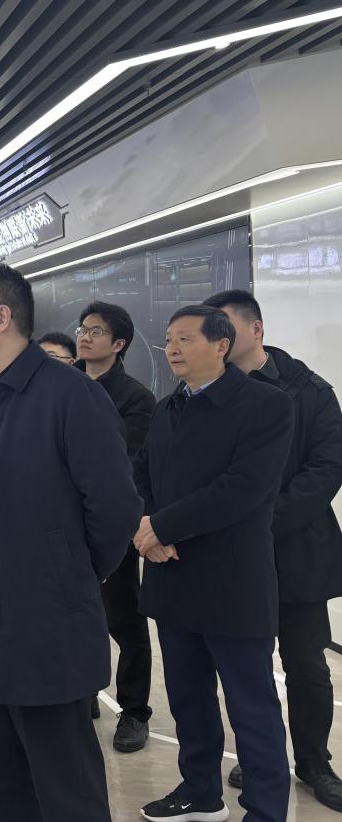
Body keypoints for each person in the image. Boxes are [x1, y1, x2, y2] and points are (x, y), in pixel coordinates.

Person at [0, 263, 142, 822]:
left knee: (65, 789)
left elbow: (115, 509)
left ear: (1, 317)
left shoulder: (70, 395)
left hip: (44, 625)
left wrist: (64, 572)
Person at [133, 305, 293, 822]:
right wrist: (146, 530)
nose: (172, 349)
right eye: (168, 340)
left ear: (221, 345)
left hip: (233, 581)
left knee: (251, 704)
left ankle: (265, 809)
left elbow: (243, 488)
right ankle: (200, 793)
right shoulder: (167, 407)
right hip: (172, 576)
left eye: (185, 339)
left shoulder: (266, 405)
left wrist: (163, 526)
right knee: (188, 699)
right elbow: (141, 476)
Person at [204, 289, 342, 811]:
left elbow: (326, 468)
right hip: (235, 555)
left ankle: (314, 762)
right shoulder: (209, 393)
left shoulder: (309, 390)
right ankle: (260, 755)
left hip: (297, 549)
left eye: (225, 328)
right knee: (247, 665)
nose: (216, 339)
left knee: (306, 664)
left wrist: (263, 520)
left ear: (255, 329)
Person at [75, 301, 157, 752]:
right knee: (75, 614)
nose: (85, 337)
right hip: (63, 525)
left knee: (124, 620)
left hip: (111, 525)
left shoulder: (135, 398)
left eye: (96, 331)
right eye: (82, 329)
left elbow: (123, 465)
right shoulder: (63, 385)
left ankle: (134, 710)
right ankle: (84, 690)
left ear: (119, 343)